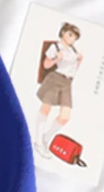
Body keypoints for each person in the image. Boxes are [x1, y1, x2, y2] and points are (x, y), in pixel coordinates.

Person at [35, 22, 82, 157]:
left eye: (75, 37)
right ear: (63, 33)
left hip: (67, 82)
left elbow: (73, 69)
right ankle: (38, 142)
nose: (72, 38)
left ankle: (45, 138)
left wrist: (79, 61)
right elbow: (46, 64)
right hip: (55, 79)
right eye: (70, 34)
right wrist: (57, 58)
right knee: (46, 109)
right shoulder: (55, 47)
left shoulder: (73, 50)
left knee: (65, 116)